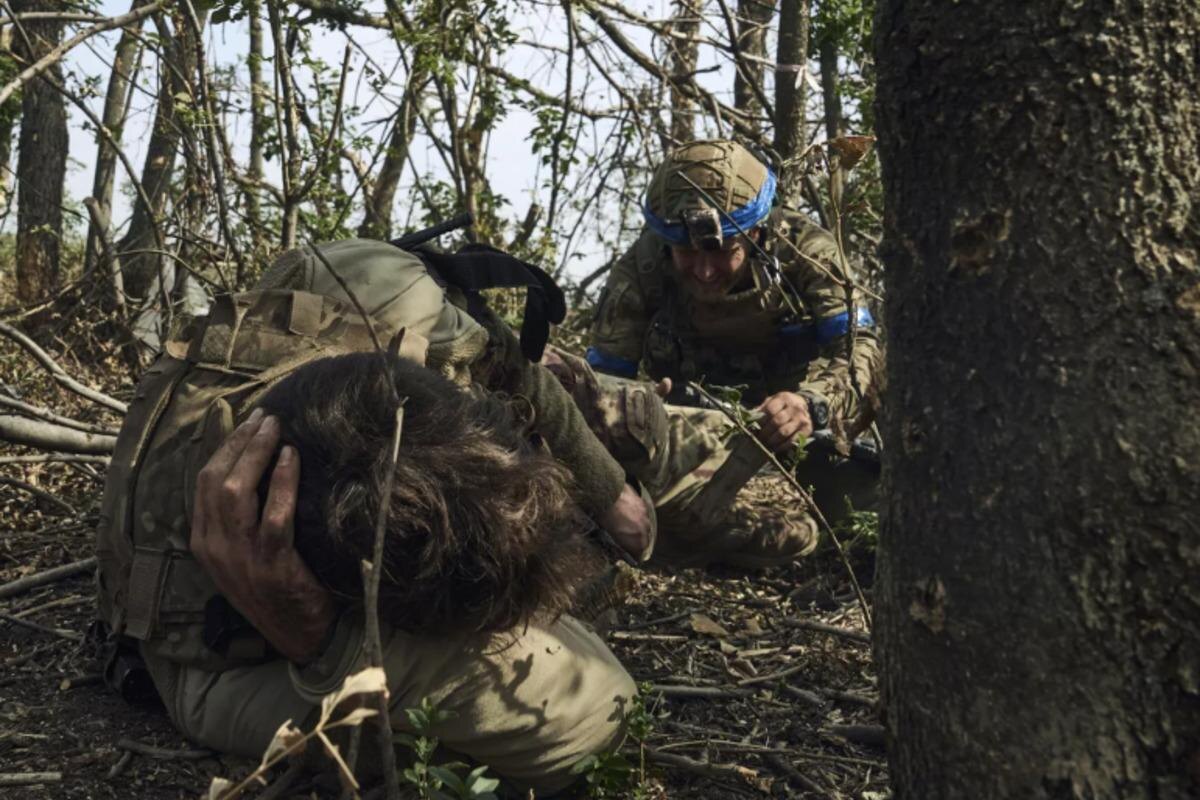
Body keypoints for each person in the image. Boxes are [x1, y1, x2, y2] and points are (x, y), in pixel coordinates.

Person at [95, 239, 649, 794]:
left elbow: (493, 349)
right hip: (221, 663)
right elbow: (600, 717)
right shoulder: (227, 660)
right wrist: (324, 642)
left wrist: (604, 484)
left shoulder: (368, 297)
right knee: (600, 702)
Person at [583, 139, 884, 567]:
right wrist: (636, 407)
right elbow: (600, 387)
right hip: (691, 441)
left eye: (722, 252)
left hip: (806, 435)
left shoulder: (806, 252)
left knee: (858, 521)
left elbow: (861, 353)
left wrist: (811, 404)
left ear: (756, 232)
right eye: (687, 253)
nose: (704, 272)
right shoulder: (641, 269)